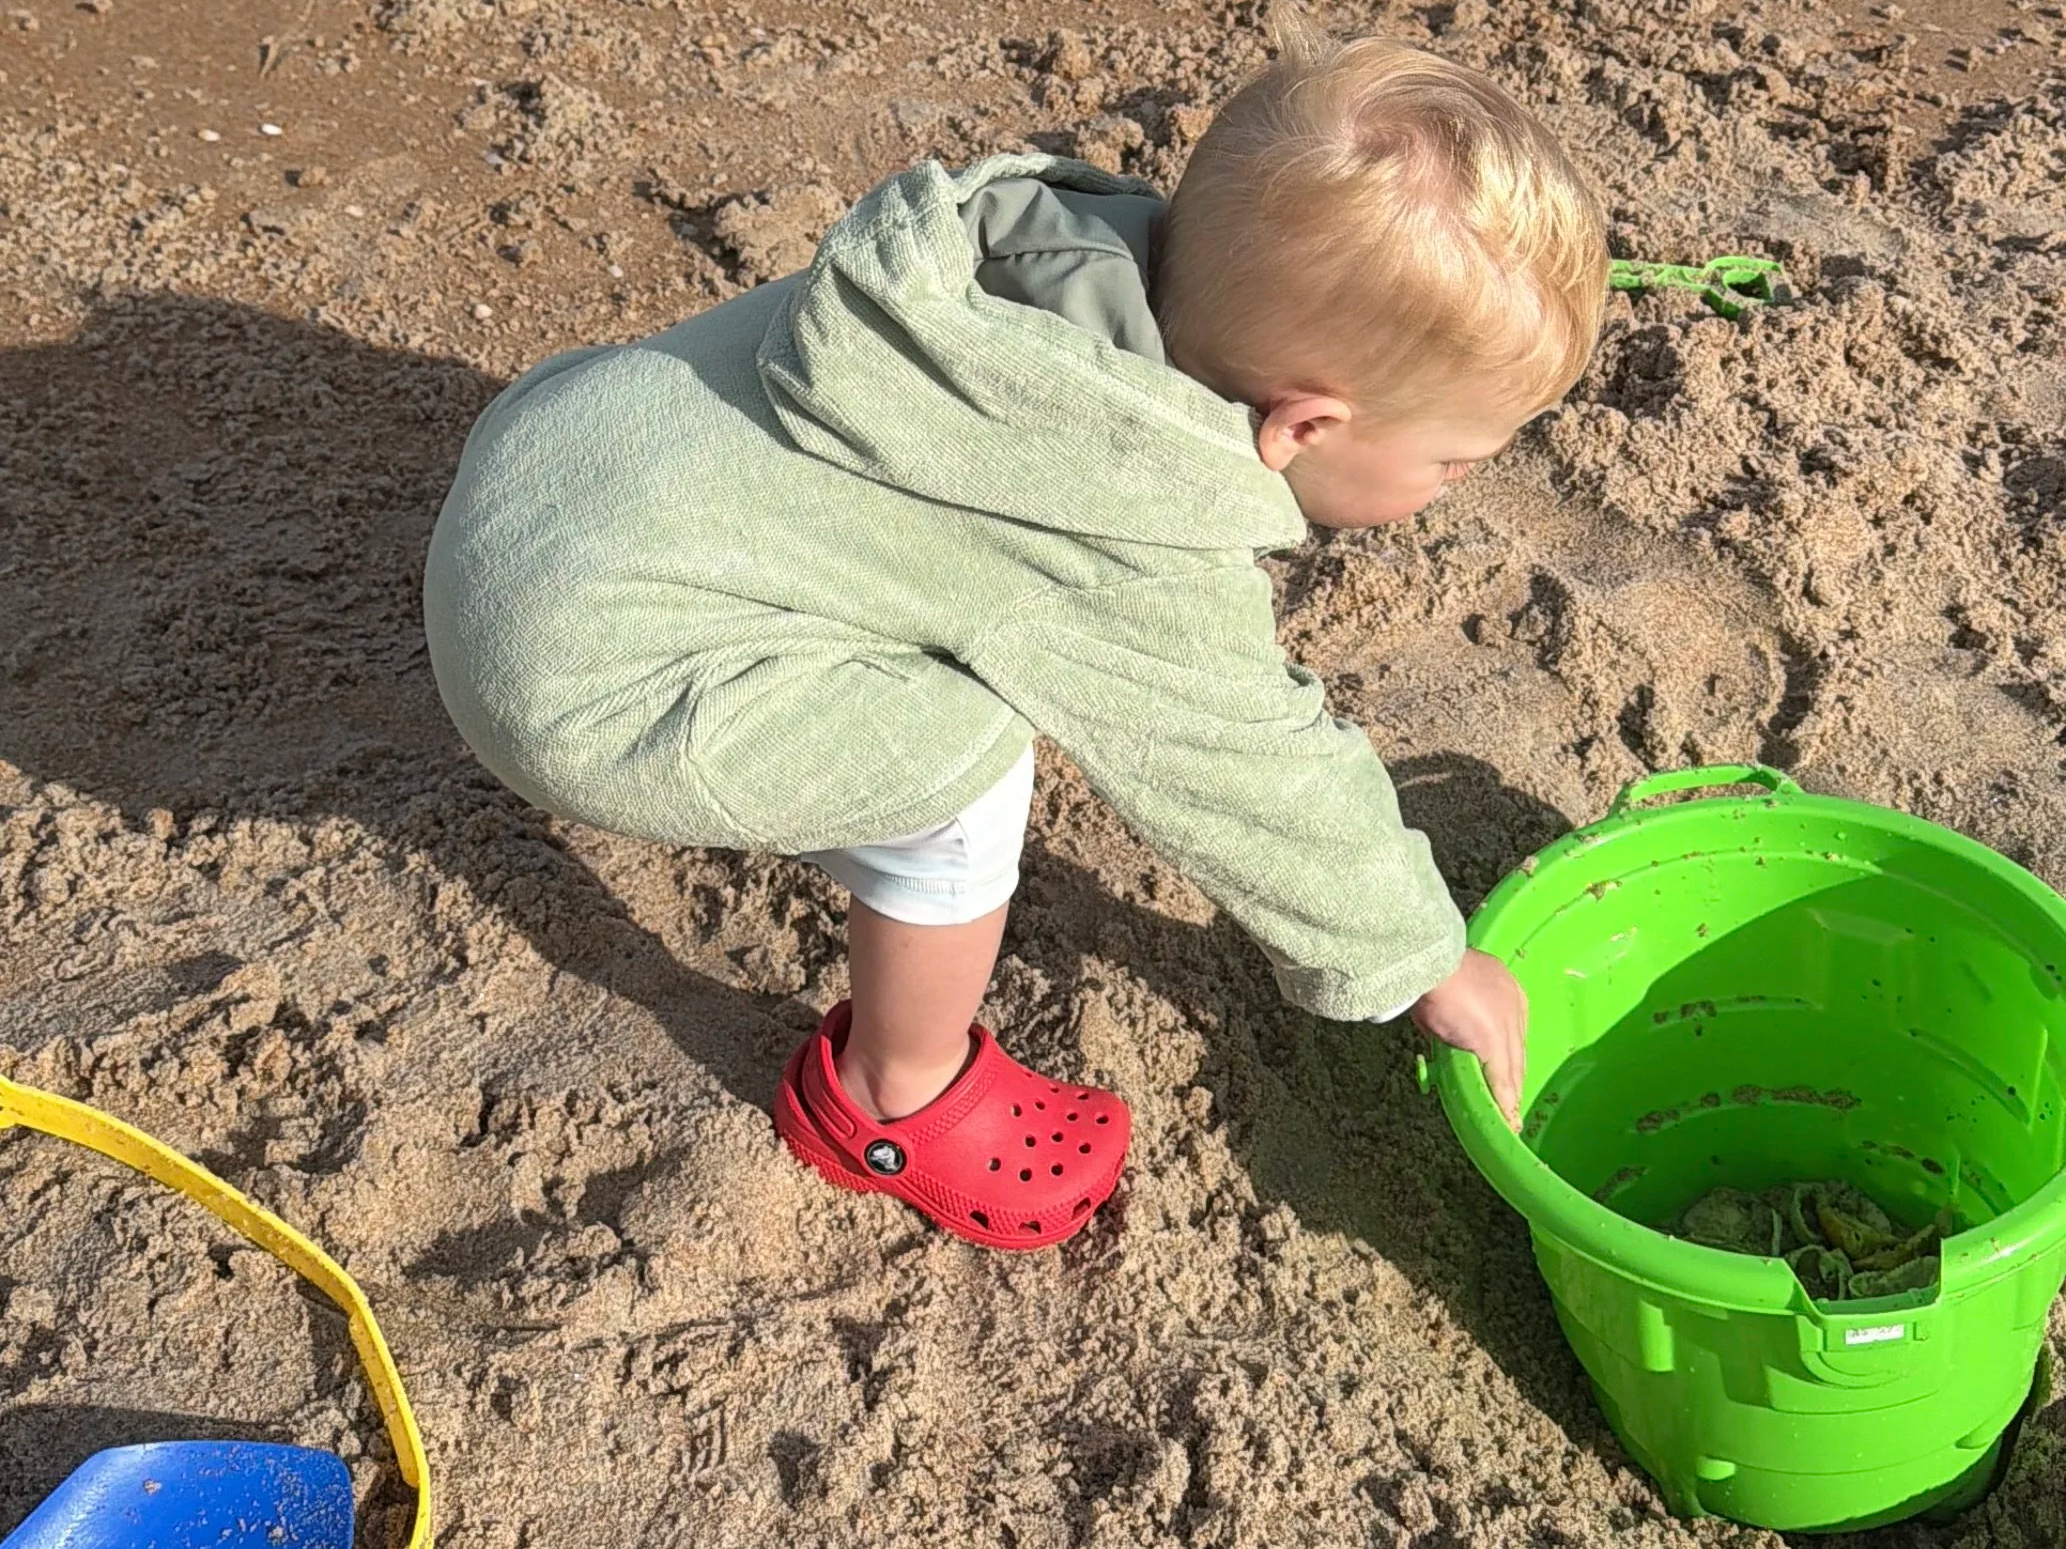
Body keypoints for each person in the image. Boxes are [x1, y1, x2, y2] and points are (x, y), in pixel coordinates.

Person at [422, 17, 1608, 1251]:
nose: (1461, 483)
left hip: (544, 478)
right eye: (1455, 461)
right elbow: (1249, 767)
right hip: (579, 681)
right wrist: (1423, 957)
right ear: (1303, 427)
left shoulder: (1024, 261)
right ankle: (892, 1094)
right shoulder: (1120, 512)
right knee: (969, 760)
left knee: (935, 596)